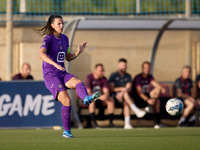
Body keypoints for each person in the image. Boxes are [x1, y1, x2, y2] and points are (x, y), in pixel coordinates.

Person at [38, 14, 101, 138]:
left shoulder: (65, 39)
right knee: (67, 100)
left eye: (62, 23)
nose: (62, 25)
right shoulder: (48, 38)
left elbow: (67, 57)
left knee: (78, 81)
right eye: (59, 23)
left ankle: (86, 99)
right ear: (52, 26)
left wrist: (78, 52)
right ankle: (67, 132)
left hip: (61, 72)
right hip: (50, 75)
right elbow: (41, 54)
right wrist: (55, 64)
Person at [108, 58, 146, 129]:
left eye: (125, 65)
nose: (124, 67)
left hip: (124, 97)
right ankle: (136, 110)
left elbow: (129, 88)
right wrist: (122, 89)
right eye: (122, 65)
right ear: (118, 65)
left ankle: (127, 124)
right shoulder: (113, 75)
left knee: (126, 101)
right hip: (115, 98)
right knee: (125, 94)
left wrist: (122, 92)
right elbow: (112, 89)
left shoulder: (128, 76)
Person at [132, 61, 166, 129]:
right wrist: (148, 100)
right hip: (138, 99)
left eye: (148, 68)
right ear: (142, 68)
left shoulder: (150, 77)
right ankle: (157, 121)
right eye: (145, 68)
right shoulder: (138, 77)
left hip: (147, 98)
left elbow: (155, 84)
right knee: (155, 101)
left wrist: (162, 88)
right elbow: (139, 93)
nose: (147, 69)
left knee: (157, 99)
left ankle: (157, 123)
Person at [85, 64, 115, 128]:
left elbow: (106, 92)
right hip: (92, 98)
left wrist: (105, 96)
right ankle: (94, 123)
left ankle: (111, 123)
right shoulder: (89, 78)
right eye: (101, 71)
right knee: (92, 101)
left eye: (103, 71)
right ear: (95, 70)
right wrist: (100, 97)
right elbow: (89, 93)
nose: (103, 72)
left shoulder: (104, 79)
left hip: (101, 99)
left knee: (111, 100)